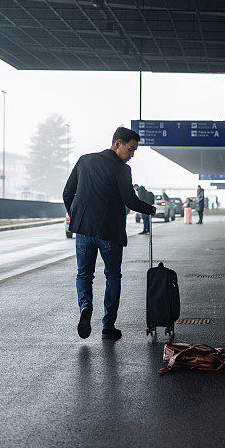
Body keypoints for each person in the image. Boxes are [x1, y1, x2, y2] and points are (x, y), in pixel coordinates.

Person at [63, 127, 156, 340]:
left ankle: (85, 307)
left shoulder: (84, 161)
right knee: (112, 276)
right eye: (131, 149)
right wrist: (149, 209)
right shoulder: (122, 170)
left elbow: (67, 193)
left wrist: (77, 217)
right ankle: (108, 327)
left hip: (84, 231)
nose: (132, 155)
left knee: (84, 274)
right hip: (110, 233)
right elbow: (130, 201)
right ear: (118, 144)